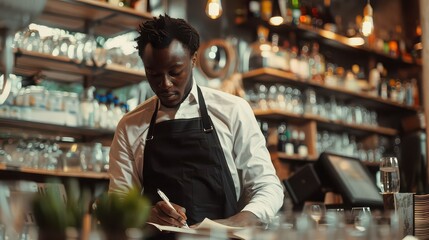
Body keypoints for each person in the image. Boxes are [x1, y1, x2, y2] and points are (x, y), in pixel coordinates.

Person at [108, 14, 284, 228]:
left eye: (175, 72)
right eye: (153, 74)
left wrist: (238, 221)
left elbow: (267, 186)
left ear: (193, 59)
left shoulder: (233, 111)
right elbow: (119, 201)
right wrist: (145, 214)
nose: (165, 84)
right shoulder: (130, 126)